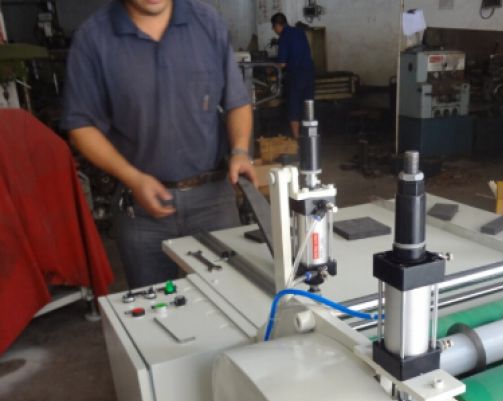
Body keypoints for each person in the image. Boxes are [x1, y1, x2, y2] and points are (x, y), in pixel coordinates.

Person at [61, 0, 257, 289]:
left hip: (213, 201)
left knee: (230, 297)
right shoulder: (94, 38)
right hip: (140, 209)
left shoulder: (206, 23)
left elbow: (237, 102)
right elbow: (80, 126)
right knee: (153, 304)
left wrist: (240, 150)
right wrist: (132, 177)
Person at [271, 13, 315, 139]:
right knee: (308, 106)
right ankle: (309, 137)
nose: (274, 30)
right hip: (309, 73)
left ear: (277, 25)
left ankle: (297, 139)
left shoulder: (284, 37)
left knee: (294, 107)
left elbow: (282, 64)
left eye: (273, 27)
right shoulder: (300, 32)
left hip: (296, 76)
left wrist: (271, 68)